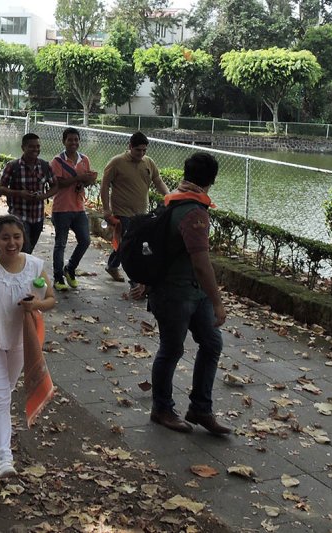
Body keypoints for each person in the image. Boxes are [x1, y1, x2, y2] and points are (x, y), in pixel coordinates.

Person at [0, 214, 56, 479]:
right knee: (1, 397)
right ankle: (3, 458)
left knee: (5, 390)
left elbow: (51, 299)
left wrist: (36, 304)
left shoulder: (34, 265)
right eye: (5, 238)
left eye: (16, 237)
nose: (11, 243)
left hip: (20, 340)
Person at [148, 152, 230, 436]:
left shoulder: (173, 200)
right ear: (212, 180)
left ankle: (200, 408)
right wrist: (218, 302)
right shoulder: (194, 212)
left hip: (191, 293)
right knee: (171, 350)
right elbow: (201, 263)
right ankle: (161, 409)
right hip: (176, 294)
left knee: (211, 342)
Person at [100, 131, 170, 284]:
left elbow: (158, 180)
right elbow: (104, 186)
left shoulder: (148, 162)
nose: (141, 153)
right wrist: (106, 209)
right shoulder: (116, 162)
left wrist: (169, 196)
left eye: (144, 150)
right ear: (130, 146)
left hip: (141, 212)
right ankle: (135, 281)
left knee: (128, 243)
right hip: (122, 211)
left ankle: (113, 265)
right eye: (138, 150)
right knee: (133, 245)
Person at [49, 127, 97, 291]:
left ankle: (70, 268)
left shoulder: (84, 159)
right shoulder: (57, 161)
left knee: (85, 240)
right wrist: (79, 177)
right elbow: (58, 183)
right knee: (60, 244)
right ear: (64, 141)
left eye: (76, 140)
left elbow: (85, 182)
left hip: (79, 207)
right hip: (62, 208)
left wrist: (89, 179)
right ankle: (58, 278)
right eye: (70, 140)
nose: (73, 143)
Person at [0, 133, 58, 254]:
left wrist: (43, 196)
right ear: (23, 147)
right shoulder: (13, 166)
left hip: (38, 216)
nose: (35, 149)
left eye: (37, 146)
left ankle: (18, 264)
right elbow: (1, 188)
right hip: (19, 215)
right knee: (24, 248)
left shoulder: (45, 166)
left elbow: (55, 186)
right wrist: (20, 193)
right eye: (31, 146)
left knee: (28, 250)